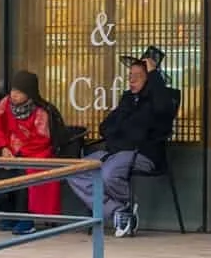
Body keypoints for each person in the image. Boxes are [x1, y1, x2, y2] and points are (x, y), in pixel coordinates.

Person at [65, 57, 175, 237]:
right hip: (114, 151)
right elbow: (105, 127)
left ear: (150, 79)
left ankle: (120, 211)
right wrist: (120, 131)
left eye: (137, 76)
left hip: (143, 153)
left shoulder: (159, 102)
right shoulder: (128, 100)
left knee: (108, 174)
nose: (131, 80)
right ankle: (119, 211)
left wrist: (154, 74)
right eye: (130, 76)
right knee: (72, 170)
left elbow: (163, 109)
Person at [0, 71, 66, 234]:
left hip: (37, 157)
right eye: (12, 90)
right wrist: (3, 147)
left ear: (29, 92)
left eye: (19, 91)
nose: (13, 95)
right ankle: (11, 215)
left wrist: (18, 152)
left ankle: (26, 219)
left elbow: (42, 139)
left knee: (25, 181)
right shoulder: (6, 104)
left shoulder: (41, 111)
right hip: (11, 154)